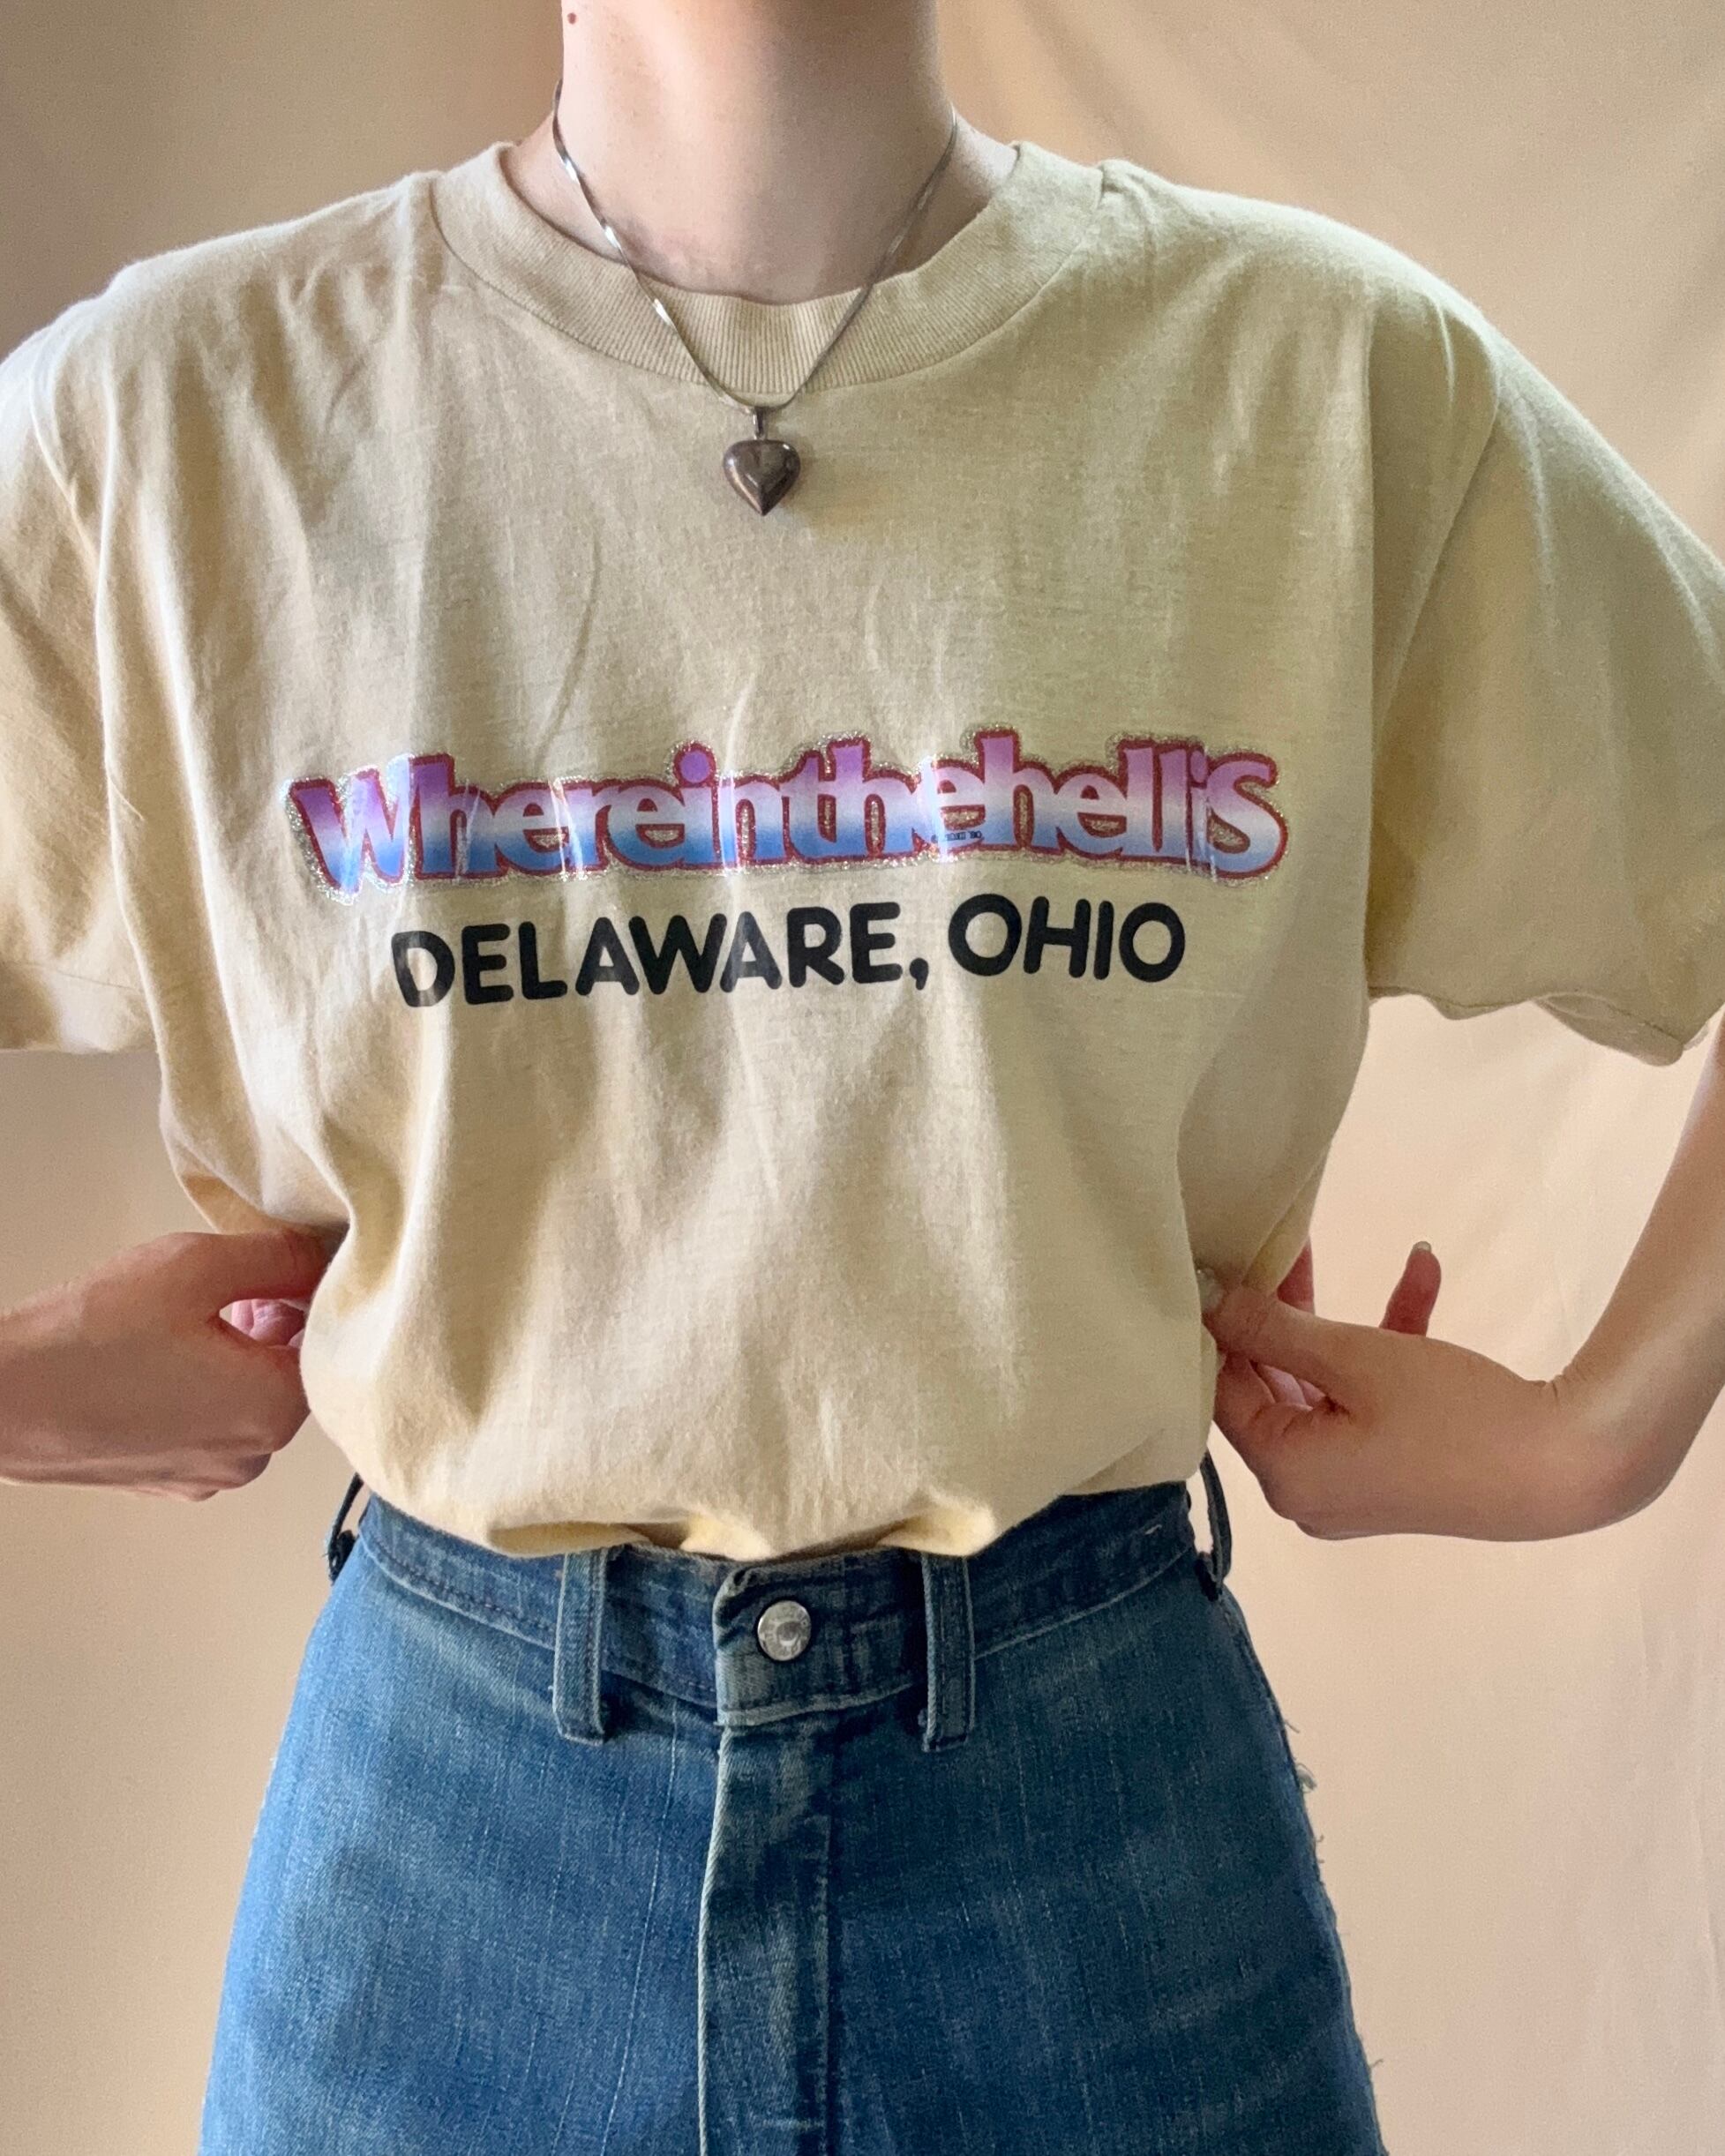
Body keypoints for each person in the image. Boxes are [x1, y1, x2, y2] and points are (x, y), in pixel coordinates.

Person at [3, 1, 1723, 2148]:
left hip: (1105, 1867)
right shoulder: (168, 428)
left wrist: (1604, 1431)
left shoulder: (1320, 387)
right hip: (450, 1885)